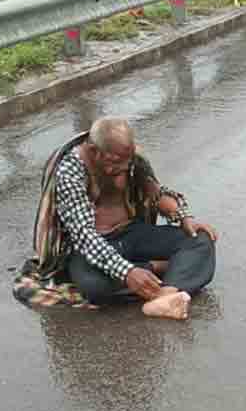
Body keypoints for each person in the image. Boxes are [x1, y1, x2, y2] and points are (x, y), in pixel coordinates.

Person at [14, 117, 217, 320]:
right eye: (113, 163)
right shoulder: (70, 170)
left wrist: (184, 218)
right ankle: (160, 268)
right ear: (94, 151)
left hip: (131, 232)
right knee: (94, 286)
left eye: (124, 162)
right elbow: (85, 236)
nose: (119, 168)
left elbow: (155, 192)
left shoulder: (130, 158)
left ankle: (165, 296)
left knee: (200, 240)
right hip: (92, 245)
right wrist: (127, 272)